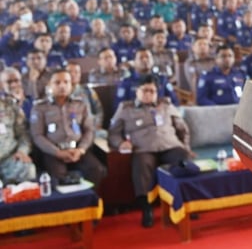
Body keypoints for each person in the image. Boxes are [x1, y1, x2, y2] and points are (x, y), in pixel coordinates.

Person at [108, 77, 192, 228]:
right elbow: (113, 133)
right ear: (137, 91)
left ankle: (185, 204)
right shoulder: (125, 108)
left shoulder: (165, 105)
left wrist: (186, 147)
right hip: (143, 148)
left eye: (152, 91)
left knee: (182, 159)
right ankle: (146, 208)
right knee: (142, 165)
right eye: (145, 90)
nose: (148, 94)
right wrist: (121, 144)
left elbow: (182, 128)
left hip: (169, 145)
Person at [30, 69, 107, 186]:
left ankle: (88, 197)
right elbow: (37, 136)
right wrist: (57, 152)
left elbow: (89, 130)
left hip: (77, 150)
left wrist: (81, 150)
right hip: (53, 152)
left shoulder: (80, 104)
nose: (62, 86)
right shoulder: (40, 107)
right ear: (49, 85)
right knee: (59, 176)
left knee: (97, 170)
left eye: (66, 82)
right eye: (57, 82)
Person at [0, 70, 36, 185]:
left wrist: (22, 151)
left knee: (28, 169)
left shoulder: (10, 106)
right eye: (9, 81)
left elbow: (24, 134)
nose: (14, 85)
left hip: (9, 158)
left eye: (16, 81)